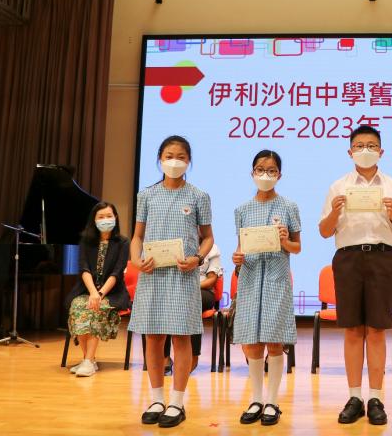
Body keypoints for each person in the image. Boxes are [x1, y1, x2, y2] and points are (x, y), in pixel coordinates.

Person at [318, 125, 392, 425]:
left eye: (371, 145)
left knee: (376, 329)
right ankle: (354, 396)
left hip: (382, 258)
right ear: (350, 152)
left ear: (381, 151)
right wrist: (334, 212)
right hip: (347, 259)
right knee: (352, 330)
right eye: (359, 145)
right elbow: (324, 231)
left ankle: (375, 397)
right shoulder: (338, 186)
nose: (365, 150)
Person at [129, 135, 214, 428]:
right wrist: (136, 259)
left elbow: (208, 238)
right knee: (153, 337)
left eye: (180, 156)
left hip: (183, 275)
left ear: (188, 161)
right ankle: (156, 399)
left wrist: (197, 258)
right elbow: (137, 236)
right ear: (160, 159)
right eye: (169, 155)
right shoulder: (146, 195)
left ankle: (177, 402)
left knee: (181, 337)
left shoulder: (199, 196)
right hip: (152, 274)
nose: (174, 161)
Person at [232, 150, 302, 426]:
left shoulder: (289, 206)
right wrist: (237, 258)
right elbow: (240, 247)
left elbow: (297, 247)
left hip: (276, 279)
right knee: (252, 343)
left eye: (271, 170)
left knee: (274, 341)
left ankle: (272, 401)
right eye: (260, 169)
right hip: (250, 279)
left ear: (279, 175)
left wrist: (285, 241)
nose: (265, 175)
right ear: (252, 173)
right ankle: (256, 399)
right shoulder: (242, 210)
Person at [65, 201, 130, 377]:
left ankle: (88, 361)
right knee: (78, 305)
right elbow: (84, 269)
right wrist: (93, 292)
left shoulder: (123, 242)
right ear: (94, 220)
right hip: (87, 290)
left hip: (112, 292)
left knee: (94, 308)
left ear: (116, 217)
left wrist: (100, 294)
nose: (105, 219)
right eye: (101, 217)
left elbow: (117, 273)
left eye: (109, 216)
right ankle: (89, 360)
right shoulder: (86, 241)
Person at [162, 242, 224, 375]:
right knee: (166, 304)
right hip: (178, 290)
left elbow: (212, 279)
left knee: (192, 301)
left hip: (203, 291)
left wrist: (192, 287)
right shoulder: (179, 244)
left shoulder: (212, 248)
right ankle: (164, 357)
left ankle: (193, 355)